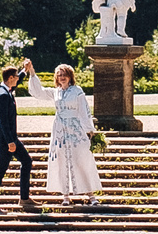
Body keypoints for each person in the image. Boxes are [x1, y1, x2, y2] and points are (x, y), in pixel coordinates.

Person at [24, 58, 102, 203]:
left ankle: (90, 195)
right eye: (59, 75)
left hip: (75, 130)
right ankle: (65, 195)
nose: (62, 77)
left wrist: (89, 130)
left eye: (64, 74)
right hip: (60, 130)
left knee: (81, 159)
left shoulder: (77, 91)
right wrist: (32, 71)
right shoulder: (56, 92)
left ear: (70, 76)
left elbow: (84, 110)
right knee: (61, 160)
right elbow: (38, 92)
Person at [0, 63, 35, 213]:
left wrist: (24, 70)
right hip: (6, 138)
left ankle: (24, 198)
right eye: (16, 78)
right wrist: (10, 142)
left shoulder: (3, 87)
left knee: (26, 161)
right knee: (0, 170)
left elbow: (17, 80)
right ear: (10, 78)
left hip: (9, 137)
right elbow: (3, 121)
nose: (17, 80)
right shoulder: (2, 96)